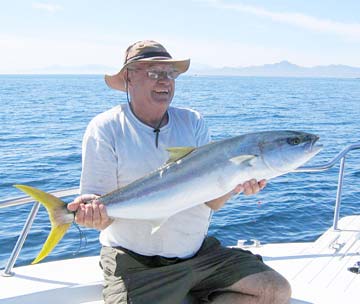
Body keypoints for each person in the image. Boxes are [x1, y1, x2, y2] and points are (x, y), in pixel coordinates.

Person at [67, 40, 291, 304]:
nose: (165, 81)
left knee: (275, 290)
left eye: (170, 73)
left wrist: (238, 181)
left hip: (198, 257)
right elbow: (102, 216)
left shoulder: (192, 121)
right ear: (129, 78)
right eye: (154, 73)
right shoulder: (106, 128)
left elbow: (213, 201)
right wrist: (91, 214)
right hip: (136, 264)